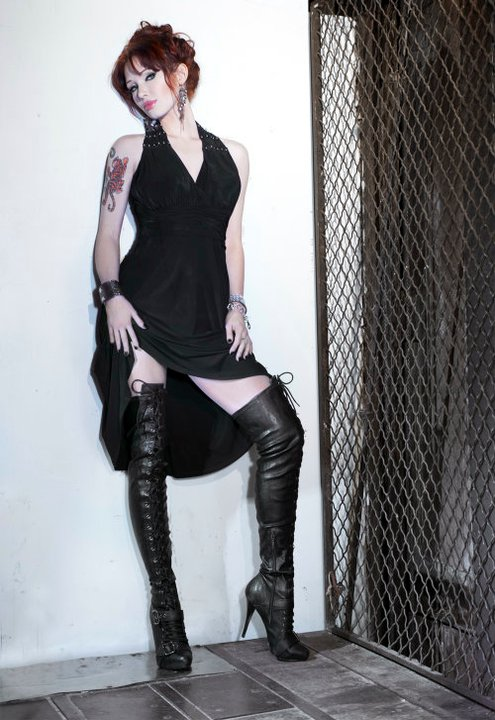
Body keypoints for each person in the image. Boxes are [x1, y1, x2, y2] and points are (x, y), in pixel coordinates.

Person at [92, 21, 309, 671]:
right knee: (148, 455)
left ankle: (273, 591)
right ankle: (168, 616)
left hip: (207, 320)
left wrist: (237, 307)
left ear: (180, 72)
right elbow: (107, 237)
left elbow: (231, 242)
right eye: (131, 85)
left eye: (148, 76)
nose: (141, 92)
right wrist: (112, 295)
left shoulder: (233, 155)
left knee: (282, 431)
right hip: (142, 314)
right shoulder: (129, 150)